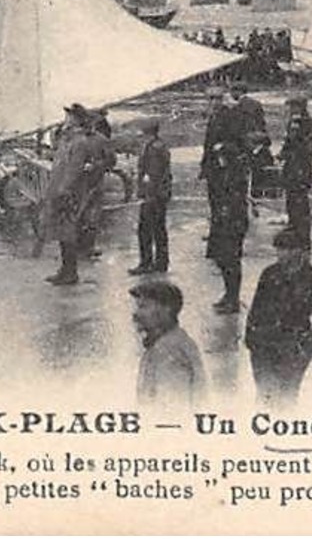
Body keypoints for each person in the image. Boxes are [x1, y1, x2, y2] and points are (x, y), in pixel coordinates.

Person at [245, 227, 312, 406]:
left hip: (294, 346)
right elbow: (256, 308)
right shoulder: (269, 274)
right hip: (265, 344)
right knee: (265, 394)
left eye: (287, 249)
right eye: (279, 249)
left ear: (300, 251)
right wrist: (251, 338)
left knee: (287, 395)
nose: (281, 254)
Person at [43, 105, 108, 286]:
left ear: (77, 120)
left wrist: (64, 190)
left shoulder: (79, 142)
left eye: (69, 117)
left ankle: (70, 272)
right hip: (59, 189)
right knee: (62, 232)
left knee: (68, 232)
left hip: (68, 192)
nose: (66, 120)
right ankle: (65, 269)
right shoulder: (68, 139)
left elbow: (73, 170)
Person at [202, 91, 250, 313]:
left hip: (232, 220)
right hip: (225, 218)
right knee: (224, 260)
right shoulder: (225, 171)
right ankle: (228, 296)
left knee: (230, 260)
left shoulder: (235, 172)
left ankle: (232, 299)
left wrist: (222, 212)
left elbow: (233, 198)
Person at [130, 281, 205, 408]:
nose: (136, 314)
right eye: (137, 307)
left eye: (144, 307)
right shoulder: (169, 341)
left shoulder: (169, 351)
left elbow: (171, 414)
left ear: (166, 310)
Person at [277, 96, 312, 246]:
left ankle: (304, 238)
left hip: (302, 168)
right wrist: (282, 154)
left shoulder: (309, 122)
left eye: (292, 107)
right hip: (291, 168)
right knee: (291, 202)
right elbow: (289, 144)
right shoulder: (292, 123)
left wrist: (309, 149)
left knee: (301, 204)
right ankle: (294, 231)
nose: (289, 110)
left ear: (300, 107)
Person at [129, 117, 172, 275]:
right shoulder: (158, 145)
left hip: (153, 195)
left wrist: (146, 194)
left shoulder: (153, 148)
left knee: (145, 230)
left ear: (147, 133)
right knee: (159, 229)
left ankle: (146, 263)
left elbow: (152, 174)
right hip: (160, 194)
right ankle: (161, 263)